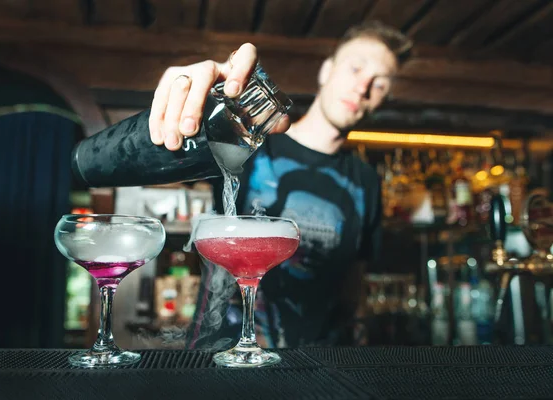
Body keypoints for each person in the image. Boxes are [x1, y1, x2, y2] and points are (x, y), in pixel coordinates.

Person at [149, 21, 413, 348]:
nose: (363, 87)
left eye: (380, 84)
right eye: (356, 69)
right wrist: (192, 94)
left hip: (320, 366)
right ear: (326, 70)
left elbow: (354, 282)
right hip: (221, 357)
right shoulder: (248, 143)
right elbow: (167, 151)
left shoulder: (366, 180)